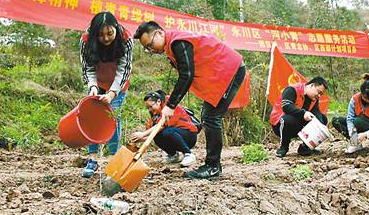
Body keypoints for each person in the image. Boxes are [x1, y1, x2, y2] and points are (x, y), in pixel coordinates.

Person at [133, 21, 246, 180]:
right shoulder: (171, 46)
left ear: (159, 33)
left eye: (150, 44)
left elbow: (186, 75)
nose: (151, 50)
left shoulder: (178, 42)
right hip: (220, 74)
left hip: (230, 69)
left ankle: (213, 167)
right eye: (147, 48)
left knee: (211, 117)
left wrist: (170, 105)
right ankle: (213, 165)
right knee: (209, 116)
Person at [80, 11, 133, 178]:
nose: (106, 38)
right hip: (97, 84)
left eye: (110, 33)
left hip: (118, 85)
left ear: (116, 29)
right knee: (92, 117)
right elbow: (87, 68)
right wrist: (93, 87)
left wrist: (112, 93)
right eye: (101, 35)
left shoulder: (126, 39)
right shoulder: (86, 40)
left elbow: (123, 70)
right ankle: (93, 159)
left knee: (112, 119)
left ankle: (113, 160)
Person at [130, 90, 199, 167]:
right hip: (176, 135)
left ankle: (188, 154)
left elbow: (161, 125)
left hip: (189, 135)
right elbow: (153, 133)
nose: (149, 109)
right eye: (147, 108)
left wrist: (142, 134)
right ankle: (174, 155)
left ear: (158, 101)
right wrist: (140, 138)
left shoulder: (170, 107)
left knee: (167, 132)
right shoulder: (155, 115)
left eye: (150, 106)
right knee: (158, 135)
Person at [269, 77, 329, 158]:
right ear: (312, 86)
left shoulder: (314, 98)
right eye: (319, 92)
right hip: (280, 124)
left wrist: (321, 125)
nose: (319, 96)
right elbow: (286, 107)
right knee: (288, 119)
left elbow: (317, 112)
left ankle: (305, 148)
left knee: (322, 119)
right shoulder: (292, 90)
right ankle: (283, 148)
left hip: (298, 124)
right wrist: (303, 113)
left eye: (321, 94)